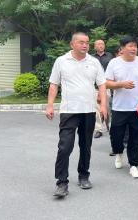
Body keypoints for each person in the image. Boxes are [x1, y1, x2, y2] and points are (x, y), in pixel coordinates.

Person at [46, 32, 108, 198]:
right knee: (65, 146)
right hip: (69, 110)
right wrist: (50, 105)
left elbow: (102, 84)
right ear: (72, 44)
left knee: (85, 145)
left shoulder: (94, 62)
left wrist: (103, 105)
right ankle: (61, 182)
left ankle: (83, 175)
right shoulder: (61, 61)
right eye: (81, 42)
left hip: (88, 110)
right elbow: (54, 85)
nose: (85, 45)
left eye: (87, 42)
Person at [105, 36, 138, 179]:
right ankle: (119, 152)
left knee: (136, 137)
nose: (134, 49)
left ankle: (133, 165)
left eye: (135, 46)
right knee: (116, 135)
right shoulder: (114, 63)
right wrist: (121, 84)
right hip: (119, 107)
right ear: (122, 48)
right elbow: (106, 83)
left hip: (137, 107)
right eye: (130, 46)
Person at [92, 40, 113, 139]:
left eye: (102, 44)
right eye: (98, 44)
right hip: (94, 87)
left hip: (106, 86)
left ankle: (108, 125)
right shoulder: (91, 58)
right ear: (95, 46)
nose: (101, 46)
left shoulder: (110, 56)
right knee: (97, 109)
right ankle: (99, 129)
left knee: (107, 108)